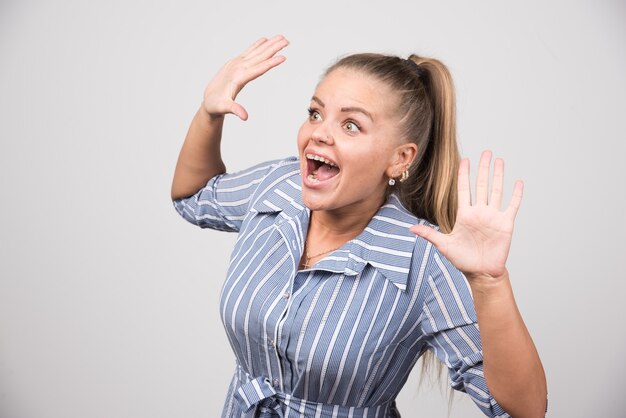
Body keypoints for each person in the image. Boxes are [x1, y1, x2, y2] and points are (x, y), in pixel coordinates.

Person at [170, 35, 547, 418]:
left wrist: (489, 282)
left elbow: (522, 410)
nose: (319, 132)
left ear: (400, 159)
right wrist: (208, 112)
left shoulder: (421, 260)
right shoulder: (278, 188)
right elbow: (193, 196)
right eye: (315, 113)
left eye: (351, 125)